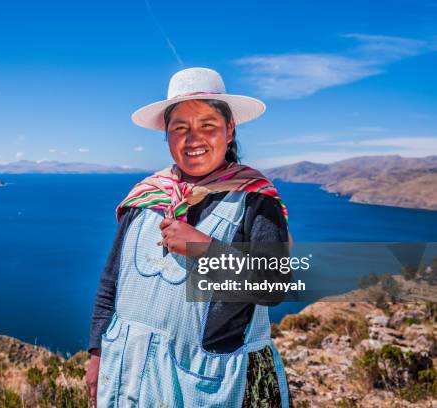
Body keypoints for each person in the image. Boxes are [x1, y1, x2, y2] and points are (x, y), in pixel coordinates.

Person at [86, 67, 292, 407]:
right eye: (179, 128)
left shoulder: (255, 199)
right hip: (128, 376)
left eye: (207, 125)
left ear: (229, 130)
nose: (193, 138)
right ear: (166, 136)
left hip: (207, 385)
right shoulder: (146, 198)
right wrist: (96, 353)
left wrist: (203, 247)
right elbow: (111, 283)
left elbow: (273, 284)